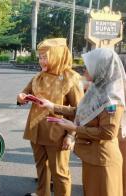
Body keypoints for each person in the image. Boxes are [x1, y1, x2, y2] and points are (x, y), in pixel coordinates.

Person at [39, 48, 125, 196]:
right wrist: (52, 106)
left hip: (103, 161)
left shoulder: (112, 98)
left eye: (88, 66)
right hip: (91, 157)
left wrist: (75, 129)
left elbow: (108, 133)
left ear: (101, 68)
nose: (84, 70)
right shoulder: (97, 91)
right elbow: (80, 111)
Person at [17, 38, 84, 196]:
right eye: (40, 57)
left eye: (45, 57)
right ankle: (42, 194)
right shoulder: (39, 76)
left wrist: (71, 136)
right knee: (42, 170)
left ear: (57, 55)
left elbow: (80, 111)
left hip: (58, 135)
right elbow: (25, 93)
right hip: (36, 131)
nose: (41, 61)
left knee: (60, 173)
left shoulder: (71, 78)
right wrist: (21, 98)